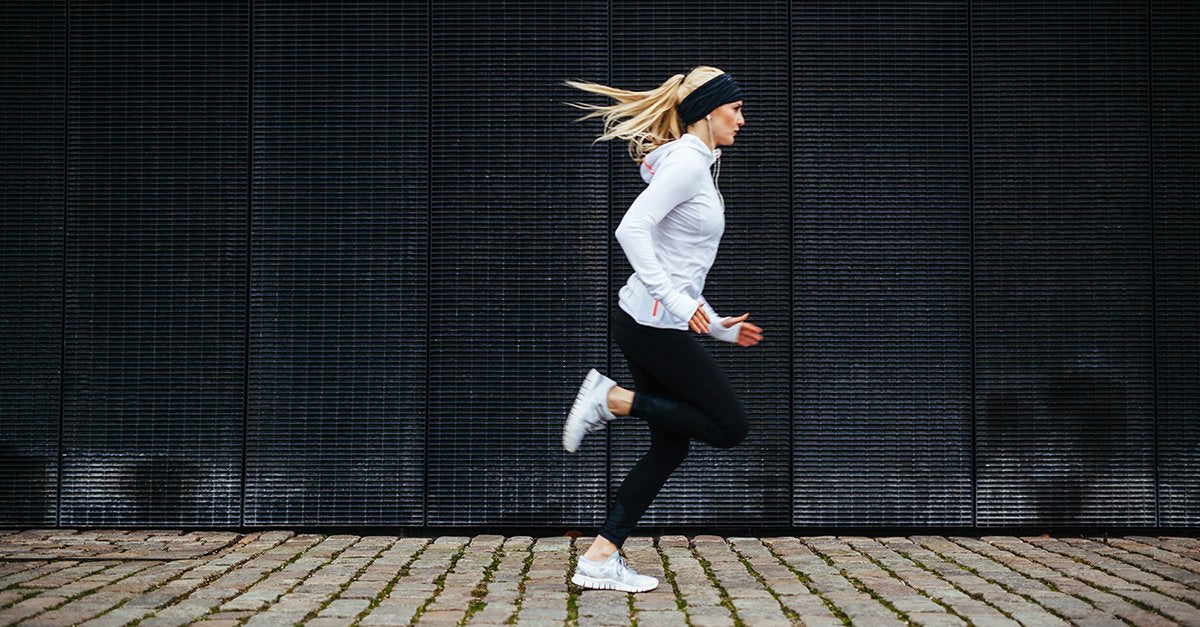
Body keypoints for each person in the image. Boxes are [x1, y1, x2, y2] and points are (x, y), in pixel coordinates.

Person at [558, 66, 764, 593]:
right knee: (729, 426)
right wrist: (674, 301)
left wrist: (715, 326)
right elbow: (632, 228)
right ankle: (613, 400)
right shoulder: (689, 165)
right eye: (736, 109)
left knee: (670, 449)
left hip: (646, 321)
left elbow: (679, 262)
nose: (743, 119)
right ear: (709, 111)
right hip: (652, 326)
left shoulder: (697, 164)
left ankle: (600, 559)